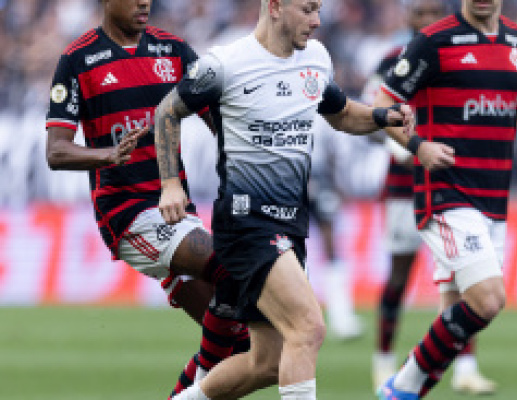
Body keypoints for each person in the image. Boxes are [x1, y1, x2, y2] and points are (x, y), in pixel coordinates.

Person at [153, 1, 412, 399]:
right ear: (274, 6)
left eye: (319, 9)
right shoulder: (225, 62)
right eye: (308, 9)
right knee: (308, 328)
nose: (317, 20)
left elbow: (341, 114)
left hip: (290, 223)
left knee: (269, 362)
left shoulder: (316, 59)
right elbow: (168, 112)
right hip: (246, 222)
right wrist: (170, 184)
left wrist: (382, 117)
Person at [44, 0, 248, 395]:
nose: (145, 3)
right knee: (231, 266)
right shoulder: (78, 59)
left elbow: (219, 120)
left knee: (238, 349)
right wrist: (107, 154)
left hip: (179, 212)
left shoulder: (173, 51)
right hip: (128, 214)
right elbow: (56, 151)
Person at [374, 0, 517, 398]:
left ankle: (405, 390)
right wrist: (418, 146)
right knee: (489, 297)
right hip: (445, 192)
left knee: (470, 308)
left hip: (494, 198)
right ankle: (401, 386)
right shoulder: (433, 40)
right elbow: (382, 104)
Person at [366, 0, 496, 395]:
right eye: (418, 13)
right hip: (404, 186)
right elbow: (370, 116)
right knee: (400, 275)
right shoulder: (389, 61)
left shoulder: (455, 52)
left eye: (430, 13)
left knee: (464, 276)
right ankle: (384, 360)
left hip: (450, 182)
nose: (425, 20)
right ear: (408, 17)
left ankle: (466, 368)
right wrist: (406, 150)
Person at [309, 117, 362, 340]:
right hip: (293, 177)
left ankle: (341, 317)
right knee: (287, 245)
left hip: (316, 177)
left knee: (331, 246)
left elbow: (332, 153)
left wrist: (336, 184)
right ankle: (310, 316)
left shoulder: (320, 112)